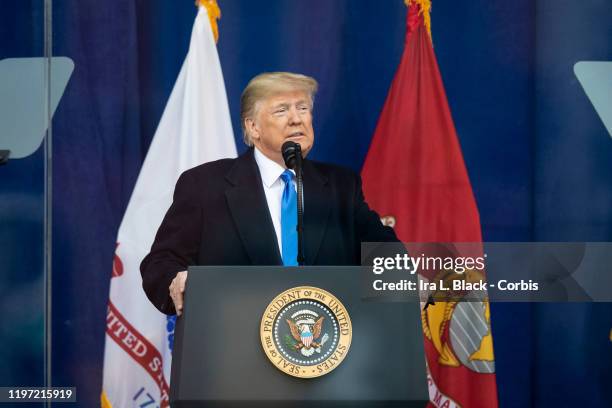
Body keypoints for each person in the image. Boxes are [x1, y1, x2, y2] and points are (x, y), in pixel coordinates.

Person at [140, 72, 397, 315]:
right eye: (282, 110)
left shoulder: (341, 186)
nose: (296, 119)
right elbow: (160, 263)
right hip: (234, 346)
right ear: (253, 127)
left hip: (327, 344)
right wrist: (177, 281)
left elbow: (386, 253)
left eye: (303, 108)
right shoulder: (206, 186)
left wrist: (403, 279)